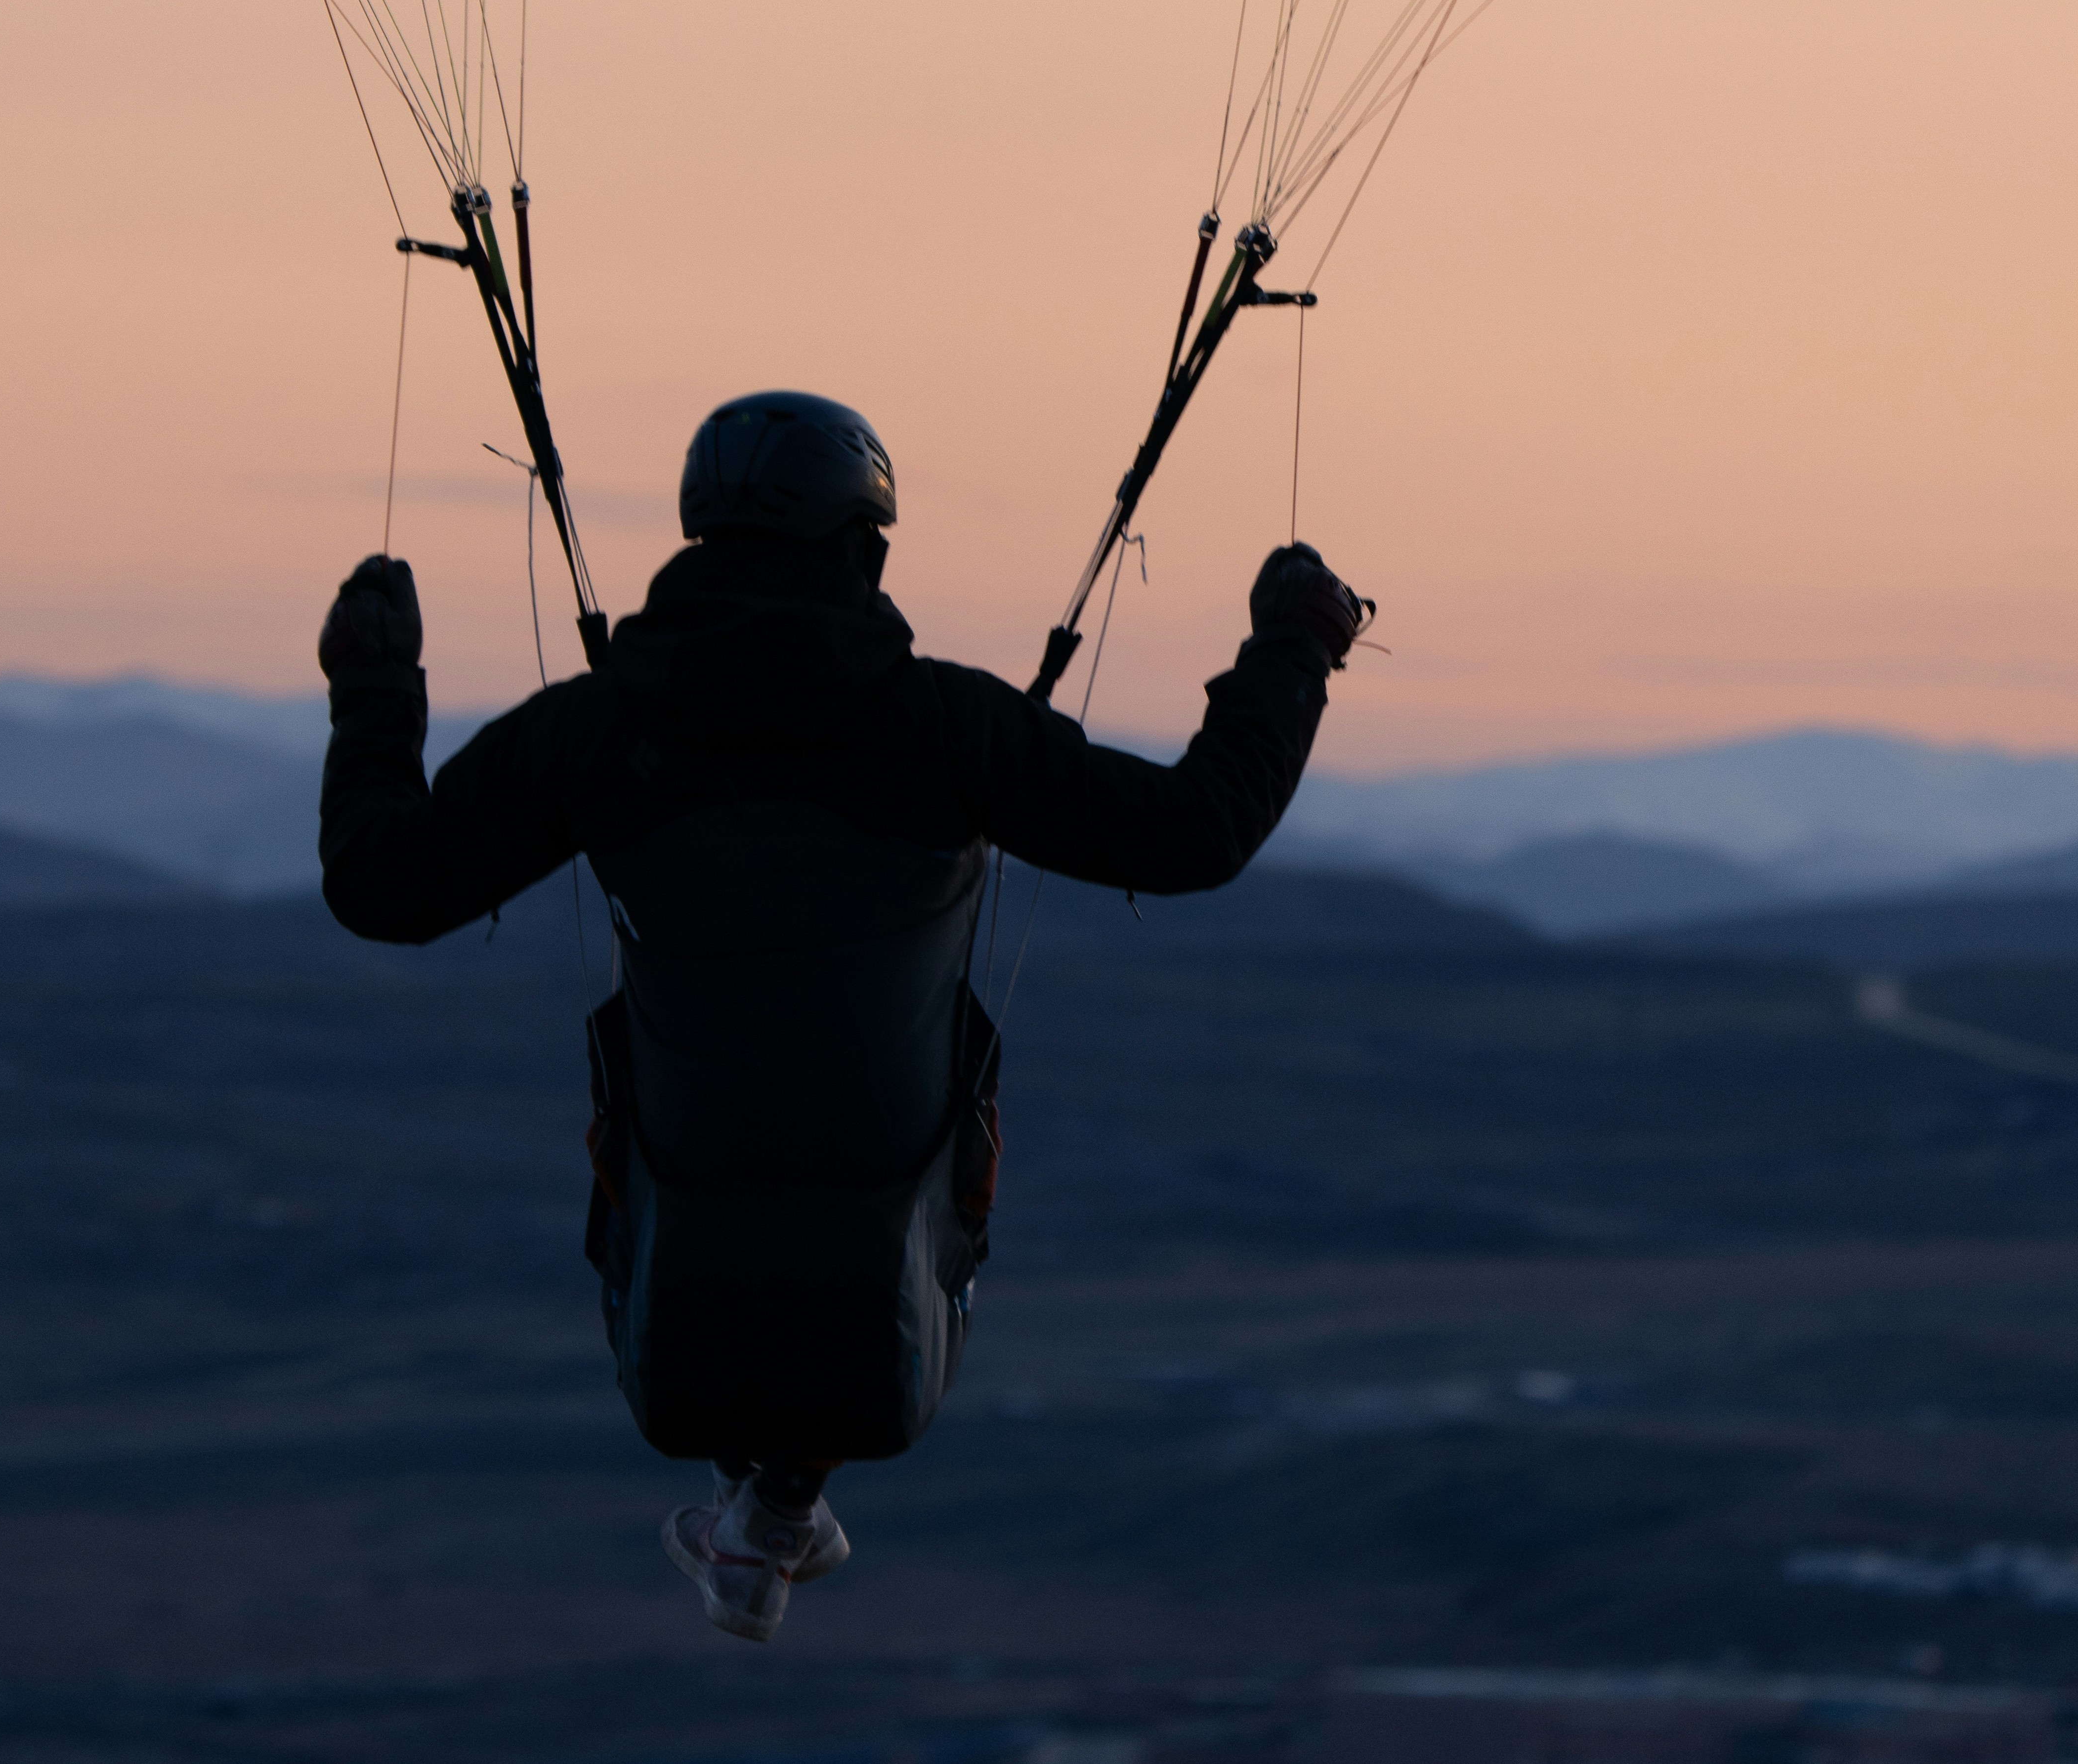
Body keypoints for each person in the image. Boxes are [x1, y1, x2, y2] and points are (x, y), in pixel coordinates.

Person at [317, 390, 1364, 1642]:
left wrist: (375, 687)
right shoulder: (941, 729)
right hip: (880, 1322)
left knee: (735, 1125)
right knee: (852, 1122)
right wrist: (1293, 650)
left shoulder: (605, 734)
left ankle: (768, 1507)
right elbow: (1194, 829)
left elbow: (383, 884)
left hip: (674, 1318)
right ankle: (770, 1506)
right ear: (863, 553)